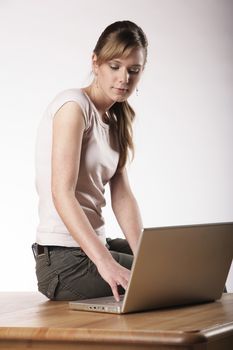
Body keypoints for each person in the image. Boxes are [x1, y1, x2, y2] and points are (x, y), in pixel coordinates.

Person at [33, 20, 148, 302]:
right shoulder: (74, 106)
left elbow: (122, 197)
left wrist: (144, 251)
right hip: (62, 261)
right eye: (115, 66)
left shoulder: (117, 118)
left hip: (95, 246)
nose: (124, 79)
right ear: (95, 62)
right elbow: (62, 193)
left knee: (176, 268)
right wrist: (105, 262)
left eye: (134, 70)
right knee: (170, 281)